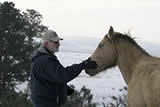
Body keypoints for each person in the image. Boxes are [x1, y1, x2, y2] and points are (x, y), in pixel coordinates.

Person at [30, 30, 97, 107]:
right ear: (46, 43)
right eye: (55, 42)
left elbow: (50, 78)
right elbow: (62, 75)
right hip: (47, 103)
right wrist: (83, 65)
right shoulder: (46, 60)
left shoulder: (41, 58)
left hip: (45, 102)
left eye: (58, 42)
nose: (58, 44)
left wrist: (65, 88)